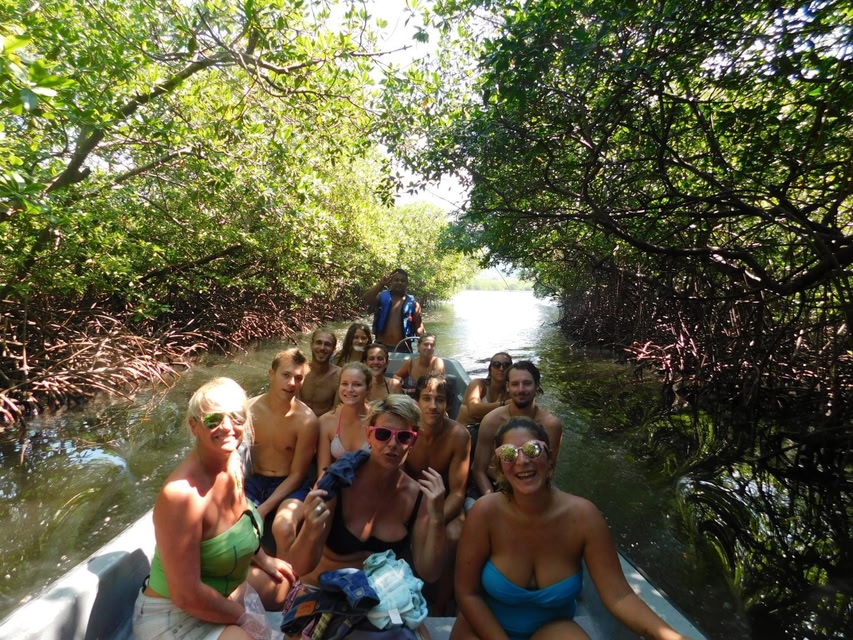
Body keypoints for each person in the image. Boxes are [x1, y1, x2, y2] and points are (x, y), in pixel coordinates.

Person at [451, 417, 695, 640]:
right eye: (508, 454)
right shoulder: (486, 512)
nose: (522, 461)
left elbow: (619, 596)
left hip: (550, 629)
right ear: (499, 465)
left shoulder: (584, 517)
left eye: (533, 450)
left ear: (550, 458)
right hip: (485, 630)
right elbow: (467, 593)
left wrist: (672, 637)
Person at [133, 378, 295, 640]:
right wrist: (245, 619)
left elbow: (241, 523)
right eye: (213, 419)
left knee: (291, 588)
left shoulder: (232, 463)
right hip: (175, 615)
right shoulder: (181, 496)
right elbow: (187, 596)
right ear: (194, 426)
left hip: (224, 590)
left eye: (237, 417)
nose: (228, 427)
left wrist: (265, 560)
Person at [288, 395, 446, 636]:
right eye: (383, 434)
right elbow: (300, 566)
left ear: (413, 441)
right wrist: (310, 527)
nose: (393, 444)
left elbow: (430, 572)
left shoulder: (417, 496)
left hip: (383, 597)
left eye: (403, 437)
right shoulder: (337, 482)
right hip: (322, 593)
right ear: (369, 435)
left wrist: (436, 518)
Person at [405, 373, 471, 615]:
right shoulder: (405, 430)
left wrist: (434, 519)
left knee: (454, 535)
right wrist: (414, 518)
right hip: (408, 501)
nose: (433, 405)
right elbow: (393, 480)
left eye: (439, 399)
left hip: (445, 502)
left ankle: (441, 604)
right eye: (426, 398)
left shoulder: (459, 436)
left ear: (448, 405)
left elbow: (458, 493)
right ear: (417, 402)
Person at [247, 348, 319, 557]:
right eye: (286, 375)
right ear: (271, 374)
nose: (291, 383)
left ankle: (286, 575)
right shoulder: (249, 410)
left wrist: (264, 508)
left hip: (289, 483)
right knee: (235, 522)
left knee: (283, 527)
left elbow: (298, 475)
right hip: (253, 480)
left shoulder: (307, 421)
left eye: (298, 378)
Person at [471, 361, 562, 499]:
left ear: (537, 386)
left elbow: (549, 469)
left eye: (527, 383)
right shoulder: (491, 421)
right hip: (495, 485)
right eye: (515, 384)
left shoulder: (551, 425)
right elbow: (479, 470)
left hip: (533, 484)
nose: (521, 389)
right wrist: (491, 498)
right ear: (507, 387)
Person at [316, 362, 371, 476]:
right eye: (344, 384)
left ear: (368, 388)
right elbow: (323, 470)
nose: (349, 389)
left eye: (357, 384)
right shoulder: (326, 421)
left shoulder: (377, 420)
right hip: (337, 484)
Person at [363, 269, 424, 352]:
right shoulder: (381, 298)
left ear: (407, 283)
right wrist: (381, 284)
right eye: (396, 280)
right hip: (381, 346)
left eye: (403, 281)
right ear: (391, 282)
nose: (399, 282)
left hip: (404, 348)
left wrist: (423, 346)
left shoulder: (413, 304)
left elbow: (419, 328)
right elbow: (366, 299)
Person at [455, 352, 512, 426]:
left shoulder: (510, 390)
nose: (501, 368)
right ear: (490, 368)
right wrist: (504, 404)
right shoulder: (477, 384)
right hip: (465, 429)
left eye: (506, 365)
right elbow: (473, 410)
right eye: (496, 365)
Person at [299, 328, 341, 417]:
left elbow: (335, 413)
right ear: (311, 345)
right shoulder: (299, 371)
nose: (322, 348)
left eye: (327, 344)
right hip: (299, 421)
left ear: (334, 349)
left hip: (324, 423)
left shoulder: (339, 376)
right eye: (318, 343)